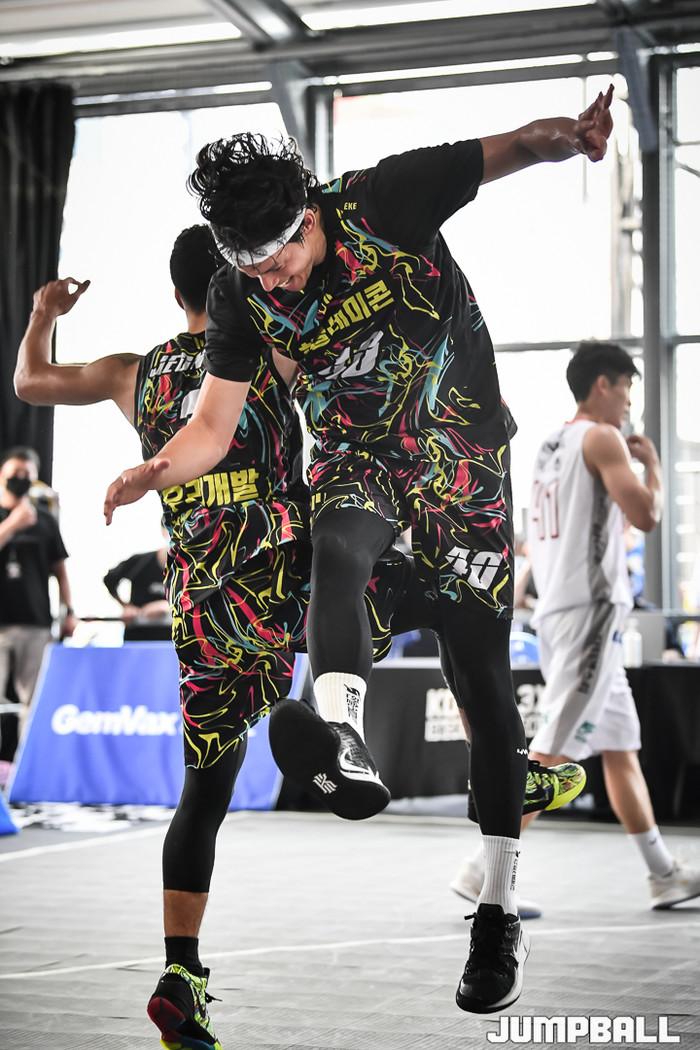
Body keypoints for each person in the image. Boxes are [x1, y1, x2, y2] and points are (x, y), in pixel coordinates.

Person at [103, 89, 615, 1015]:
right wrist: (155, 470)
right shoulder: (237, 293)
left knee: (483, 684)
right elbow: (212, 425)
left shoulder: (385, 199)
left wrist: (571, 139)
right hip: (358, 454)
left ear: (309, 217)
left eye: (281, 259)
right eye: (251, 268)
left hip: (461, 453)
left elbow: (509, 147)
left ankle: (496, 915)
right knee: (336, 550)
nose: (274, 283)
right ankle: (340, 732)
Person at [452, 341, 700, 915]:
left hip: (562, 609)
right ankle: (482, 870)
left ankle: (663, 872)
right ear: (603, 384)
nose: (629, 403)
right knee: (553, 750)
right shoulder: (602, 438)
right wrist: (653, 467)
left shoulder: (548, 445)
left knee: (619, 746)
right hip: (591, 611)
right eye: (627, 388)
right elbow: (646, 515)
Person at [0, 446, 76, 744]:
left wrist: (69, 611)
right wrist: (12, 524)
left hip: (35, 622)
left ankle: (24, 765)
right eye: (14, 473)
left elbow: (61, 571)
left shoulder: (45, 520)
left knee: (33, 703)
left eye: (26, 474)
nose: (20, 479)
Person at [103, 530, 171, 641]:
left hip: (171, 640)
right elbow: (110, 579)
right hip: (137, 636)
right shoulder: (140, 562)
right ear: (164, 531)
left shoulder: (191, 568)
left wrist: (168, 606)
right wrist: (126, 606)